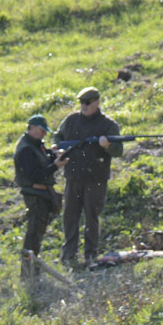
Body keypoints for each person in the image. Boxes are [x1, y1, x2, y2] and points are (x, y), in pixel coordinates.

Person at [54, 87, 122, 266]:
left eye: (87, 103)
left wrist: (106, 145)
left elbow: (118, 151)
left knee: (92, 217)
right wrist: (58, 149)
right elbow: (58, 137)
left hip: (96, 178)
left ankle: (90, 254)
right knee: (70, 216)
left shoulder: (108, 125)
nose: (83, 106)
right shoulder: (70, 121)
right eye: (81, 103)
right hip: (73, 176)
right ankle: (69, 254)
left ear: (97, 102)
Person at [14, 115, 65, 277]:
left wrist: (53, 154)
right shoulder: (26, 149)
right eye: (41, 131)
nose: (43, 134)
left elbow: (42, 159)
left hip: (41, 194)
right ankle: (29, 275)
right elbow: (35, 175)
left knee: (36, 235)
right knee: (33, 236)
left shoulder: (34, 145)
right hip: (35, 196)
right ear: (32, 128)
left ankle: (32, 273)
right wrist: (55, 166)